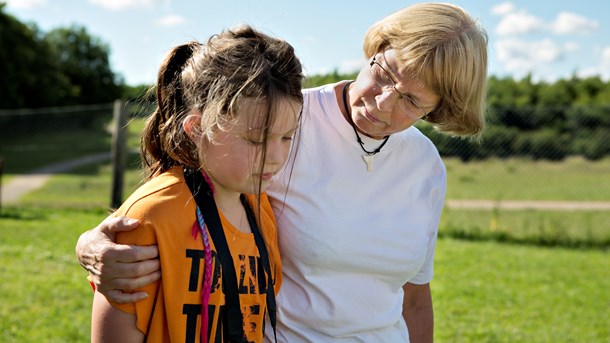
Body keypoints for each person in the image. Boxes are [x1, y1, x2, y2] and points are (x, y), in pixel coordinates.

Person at [77, 3, 487, 342]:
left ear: (439, 108)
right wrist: (90, 243)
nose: (382, 102)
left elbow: (415, 296)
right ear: (374, 48)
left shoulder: (425, 164)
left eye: (411, 101)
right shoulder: (282, 118)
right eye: (383, 73)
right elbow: (180, 190)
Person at [89, 25, 304, 343]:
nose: (275, 157)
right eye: (256, 139)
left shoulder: (262, 211)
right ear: (198, 128)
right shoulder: (150, 216)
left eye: (287, 137)